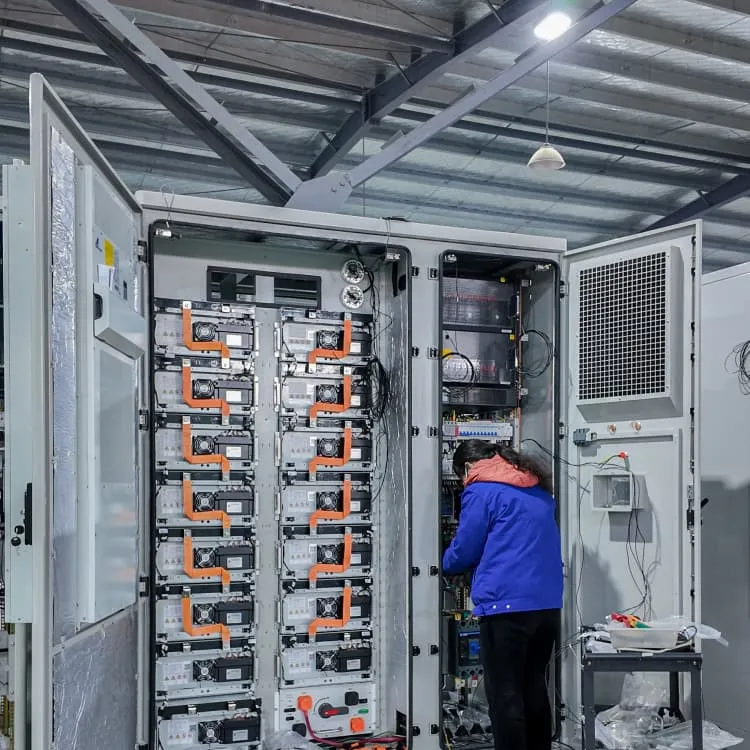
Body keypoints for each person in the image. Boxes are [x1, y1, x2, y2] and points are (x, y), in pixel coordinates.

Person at [442, 439, 563, 750]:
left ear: (468, 467)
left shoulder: (481, 491)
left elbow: (466, 547)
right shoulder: (536, 488)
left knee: (505, 694)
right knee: (533, 688)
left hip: (506, 606)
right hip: (547, 605)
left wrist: (442, 563)